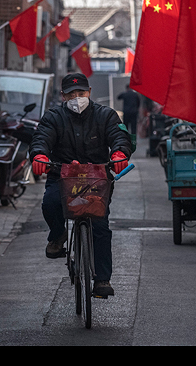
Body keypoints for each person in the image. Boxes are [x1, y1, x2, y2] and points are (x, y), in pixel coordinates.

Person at [30, 72, 132, 298]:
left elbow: (120, 136)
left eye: (81, 93)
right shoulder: (53, 117)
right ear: (63, 96)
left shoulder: (106, 115)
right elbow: (41, 139)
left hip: (97, 179)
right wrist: (40, 156)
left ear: (89, 93)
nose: (77, 98)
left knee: (100, 227)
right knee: (50, 203)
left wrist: (119, 152)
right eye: (72, 94)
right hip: (62, 176)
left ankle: (102, 280)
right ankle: (57, 236)